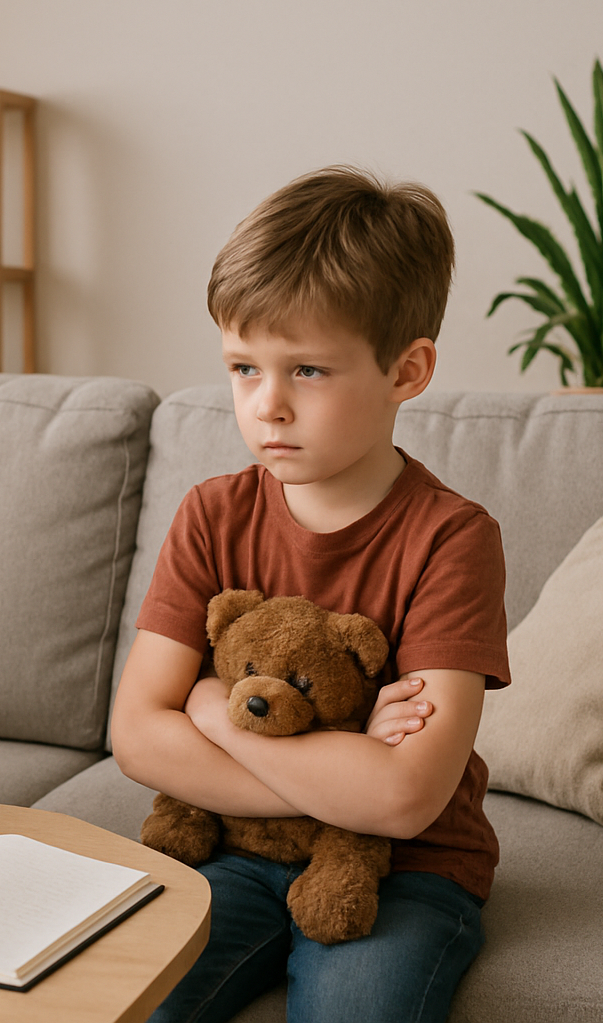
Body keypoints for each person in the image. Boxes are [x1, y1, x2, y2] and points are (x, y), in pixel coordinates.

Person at [110, 166, 509, 1023]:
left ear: (407, 370)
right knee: (126, 997)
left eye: (309, 371)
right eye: (243, 367)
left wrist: (212, 711)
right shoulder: (212, 514)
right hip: (234, 848)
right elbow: (137, 735)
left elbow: (403, 799)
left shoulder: (453, 539)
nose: (268, 406)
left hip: (406, 868)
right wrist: (349, 761)